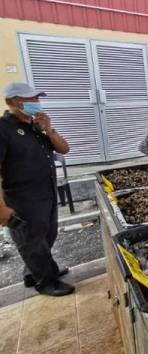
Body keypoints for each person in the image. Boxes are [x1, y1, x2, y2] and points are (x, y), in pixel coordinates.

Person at [0, 83, 73, 296]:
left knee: (47, 234)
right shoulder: (3, 129)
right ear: (12, 102)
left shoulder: (36, 125)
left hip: (46, 192)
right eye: (29, 99)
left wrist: (48, 129)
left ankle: (34, 273)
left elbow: (64, 149)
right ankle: (46, 281)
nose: (35, 103)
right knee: (31, 241)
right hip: (22, 197)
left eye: (36, 99)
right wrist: (1, 207)